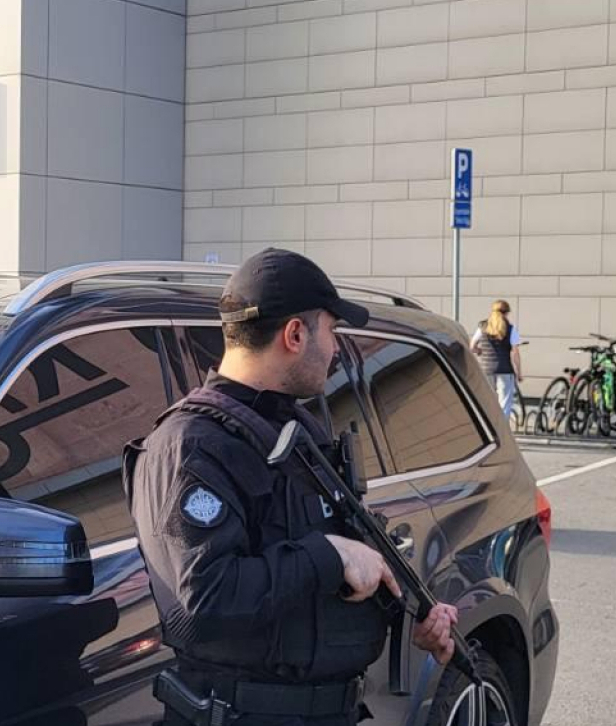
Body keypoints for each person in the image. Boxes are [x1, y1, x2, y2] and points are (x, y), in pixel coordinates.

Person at [123, 248, 458, 726]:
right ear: (295, 334)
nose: (336, 349)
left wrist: (410, 612)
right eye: (332, 330)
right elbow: (201, 604)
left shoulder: (297, 428)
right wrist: (330, 556)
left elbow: (337, 558)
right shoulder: (189, 446)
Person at [470, 300, 523, 419]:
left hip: (486, 370)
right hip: (505, 370)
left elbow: (472, 346)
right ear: (506, 313)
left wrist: (479, 351)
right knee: (504, 404)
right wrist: (519, 373)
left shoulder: (482, 326)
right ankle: (502, 429)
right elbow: (515, 353)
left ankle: (488, 427)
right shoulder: (510, 329)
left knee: (487, 401)